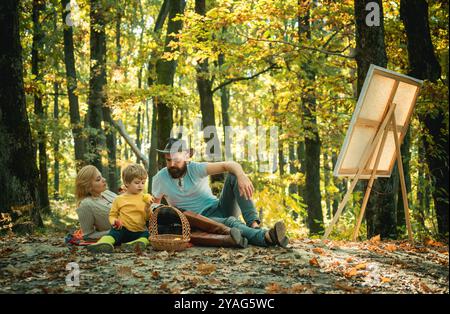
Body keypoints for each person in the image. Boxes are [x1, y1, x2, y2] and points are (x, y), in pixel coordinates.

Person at [152, 138, 289, 248]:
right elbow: (155, 208)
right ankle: (265, 237)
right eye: (168, 160)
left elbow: (229, 165)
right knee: (230, 222)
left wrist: (241, 175)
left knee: (233, 176)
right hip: (200, 219)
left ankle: (254, 225)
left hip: (218, 207)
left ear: (187, 156)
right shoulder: (160, 178)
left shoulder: (196, 169)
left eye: (176, 160)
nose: (171, 165)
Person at [87, 164, 152, 253]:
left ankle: (136, 244)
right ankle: (103, 243)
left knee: (148, 235)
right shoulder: (119, 199)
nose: (140, 186)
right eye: (137, 183)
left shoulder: (145, 198)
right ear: (127, 183)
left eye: (143, 183)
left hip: (138, 231)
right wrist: (114, 222)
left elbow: (148, 218)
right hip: (122, 230)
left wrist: (147, 208)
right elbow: (112, 215)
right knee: (113, 233)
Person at [75, 165, 116, 240]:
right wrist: (112, 232)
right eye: (98, 179)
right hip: (124, 234)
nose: (104, 180)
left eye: (102, 176)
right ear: (87, 186)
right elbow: (88, 235)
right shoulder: (85, 204)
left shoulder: (107, 193)